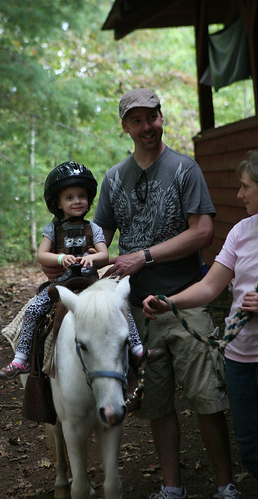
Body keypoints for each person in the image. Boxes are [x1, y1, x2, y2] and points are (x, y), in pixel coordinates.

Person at [93, 88, 239, 499]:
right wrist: (76, 253)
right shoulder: (113, 178)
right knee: (155, 402)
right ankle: (172, 488)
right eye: (136, 121)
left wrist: (142, 256)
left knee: (207, 397)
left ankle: (226, 486)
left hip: (186, 299)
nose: (147, 127)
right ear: (125, 127)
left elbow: (203, 232)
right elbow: (101, 238)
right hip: (139, 311)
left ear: (162, 117)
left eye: (152, 117)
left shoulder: (184, 169)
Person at [143, 149, 258, 482]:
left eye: (246, 186)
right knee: (250, 447)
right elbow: (209, 287)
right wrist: (170, 302)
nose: (239, 194)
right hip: (239, 359)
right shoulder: (240, 232)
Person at [0, 161, 143, 380]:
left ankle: (137, 349)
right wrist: (61, 258)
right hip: (61, 283)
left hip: (90, 283)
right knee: (35, 309)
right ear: (58, 202)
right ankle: (21, 358)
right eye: (70, 197)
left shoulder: (93, 228)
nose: (77, 201)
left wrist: (90, 258)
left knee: (119, 303)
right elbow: (42, 255)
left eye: (81, 196)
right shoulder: (52, 229)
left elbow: (103, 254)